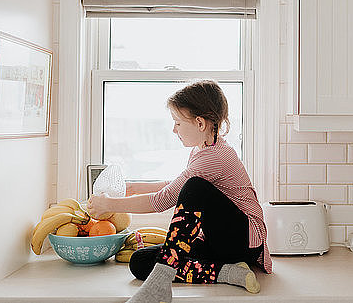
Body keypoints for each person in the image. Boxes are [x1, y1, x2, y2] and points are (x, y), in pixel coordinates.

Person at [87, 80, 272, 303]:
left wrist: (108, 205)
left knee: (194, 187)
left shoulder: (215, 156)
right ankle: (228, 272)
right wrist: (132, 188)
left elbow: (163, 200)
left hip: (243, 240)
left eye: (177, 123)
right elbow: (175, 185)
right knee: (140, 262)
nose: (174, 129)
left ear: (200, 123)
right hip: (218, 241)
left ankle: (162, 282)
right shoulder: (203, 148)